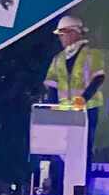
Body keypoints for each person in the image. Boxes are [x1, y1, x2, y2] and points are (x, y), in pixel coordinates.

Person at [43, 15, 105, 177]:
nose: (61, 39)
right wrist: (52, 108)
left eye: (63, 34)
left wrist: (83, 99)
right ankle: (61, 186)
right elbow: (51, 85)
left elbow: (98, 78)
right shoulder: (58, 59)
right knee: (62, 149)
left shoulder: (92, 55)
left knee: (83, 147)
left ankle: (82, 184)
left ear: (74, 33)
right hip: (64, 111)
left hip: (87, 109)